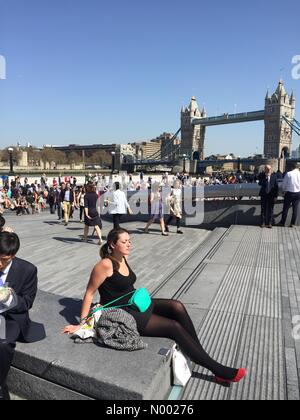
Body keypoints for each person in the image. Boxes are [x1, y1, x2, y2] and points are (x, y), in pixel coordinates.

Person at [63, 228, 246, 385]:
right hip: (124, 312)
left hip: (136, 302)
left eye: (130, 241)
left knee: (177, 306)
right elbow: (89, 293)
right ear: (112, 244)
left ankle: (199, 353)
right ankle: (219, 370)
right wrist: (82, 324)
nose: (129, 244)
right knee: (173, 327)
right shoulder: (105, 264)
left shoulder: (123, 258)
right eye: (124, 241)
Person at [0, 232, 45, 400]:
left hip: (10, 317)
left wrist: (8, 298)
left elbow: (27, 302)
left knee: (3, 344)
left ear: (13, 256)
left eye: (3, 260)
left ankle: (0, 385)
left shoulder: (27, 270)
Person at [279, 162, 300, 227]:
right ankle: (292, 223)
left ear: (292, 167)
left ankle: (282, 222)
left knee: (285, 208)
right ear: (298, 167)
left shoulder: (289, 173)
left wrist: (283, 191)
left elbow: (284, 185)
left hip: (289, 193)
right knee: (295, 209)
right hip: (298, 193)